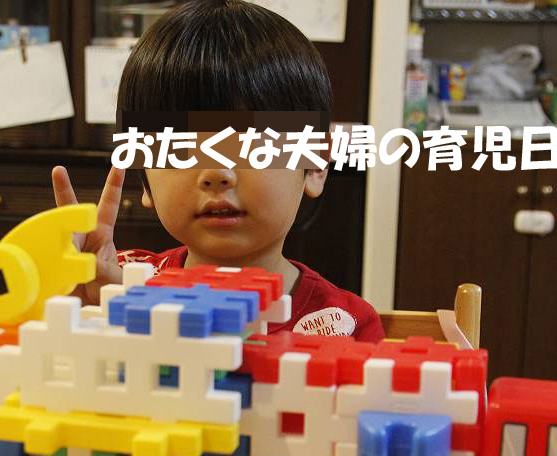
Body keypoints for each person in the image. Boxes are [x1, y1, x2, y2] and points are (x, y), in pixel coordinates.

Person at [51, 0, 384, 342]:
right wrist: (81, 317)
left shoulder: (345, 327)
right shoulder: (113, 285)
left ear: (315, 165)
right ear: (145, 181)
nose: (216, 172)